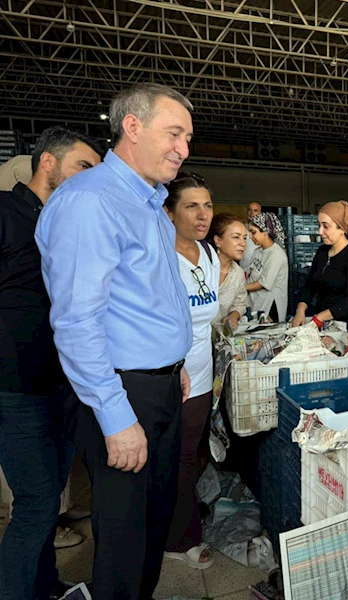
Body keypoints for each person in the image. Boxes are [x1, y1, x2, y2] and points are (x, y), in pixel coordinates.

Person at [35, 83, 194, 600]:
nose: (183, 149)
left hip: (159, 384)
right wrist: (116, 415)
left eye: (188, 139)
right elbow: (78, 320)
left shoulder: (147, 202)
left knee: (153, 523)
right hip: (124, 392)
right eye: (174, 134)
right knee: (124, 538)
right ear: (132, 127)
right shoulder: (91, 200)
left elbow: (146, 297)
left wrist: (174, 364)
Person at [0, 127, 102, 600]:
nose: (91, 178)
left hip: (62, 384)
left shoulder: (66, 225)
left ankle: (43, 585)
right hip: (16, 386)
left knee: (50, 493)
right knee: (37, 502)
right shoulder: (6, 212)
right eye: (83, 166)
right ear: (48, 163)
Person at [163, 172, 219, 570]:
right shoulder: (161, 257)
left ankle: (178, 525)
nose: (202, 216)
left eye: (208, 206)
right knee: (175, 459)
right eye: (191, 206)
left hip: (201, 373)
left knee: (189, 456)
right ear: (169, 213)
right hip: (169, 373)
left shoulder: (210, 254)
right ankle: (178, 539)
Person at [291, 201, 348, 334]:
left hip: (345, 327)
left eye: (326, 226)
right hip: (321, 323)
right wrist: (300, 310)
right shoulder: (322, 252)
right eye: (319, 225)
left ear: (342, 229)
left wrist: (320, 318)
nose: (320, 232)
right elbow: (309, 286)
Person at [208, 213, 248, 338]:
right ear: (218, 241)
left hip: (219, 339)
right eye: (236, 237)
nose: (243, 243)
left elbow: (240, 304)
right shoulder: (203, 268)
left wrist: (233, 316)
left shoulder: (238, 273)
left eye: (245, 238)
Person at [246, 212, 289, 323]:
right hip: (256, 302)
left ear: (266, 232)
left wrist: (240, 288)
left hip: (270, 306)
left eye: (253, 232)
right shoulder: (257, 251)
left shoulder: (276, 255)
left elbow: (263, 283)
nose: (250, 237)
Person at [240, 201, 262, 273]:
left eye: (255, 210)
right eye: (250, 210)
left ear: (260, 213)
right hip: (243, 270)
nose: (252, 213)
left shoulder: (264, 231)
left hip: (259, 271)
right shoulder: (241, 228)